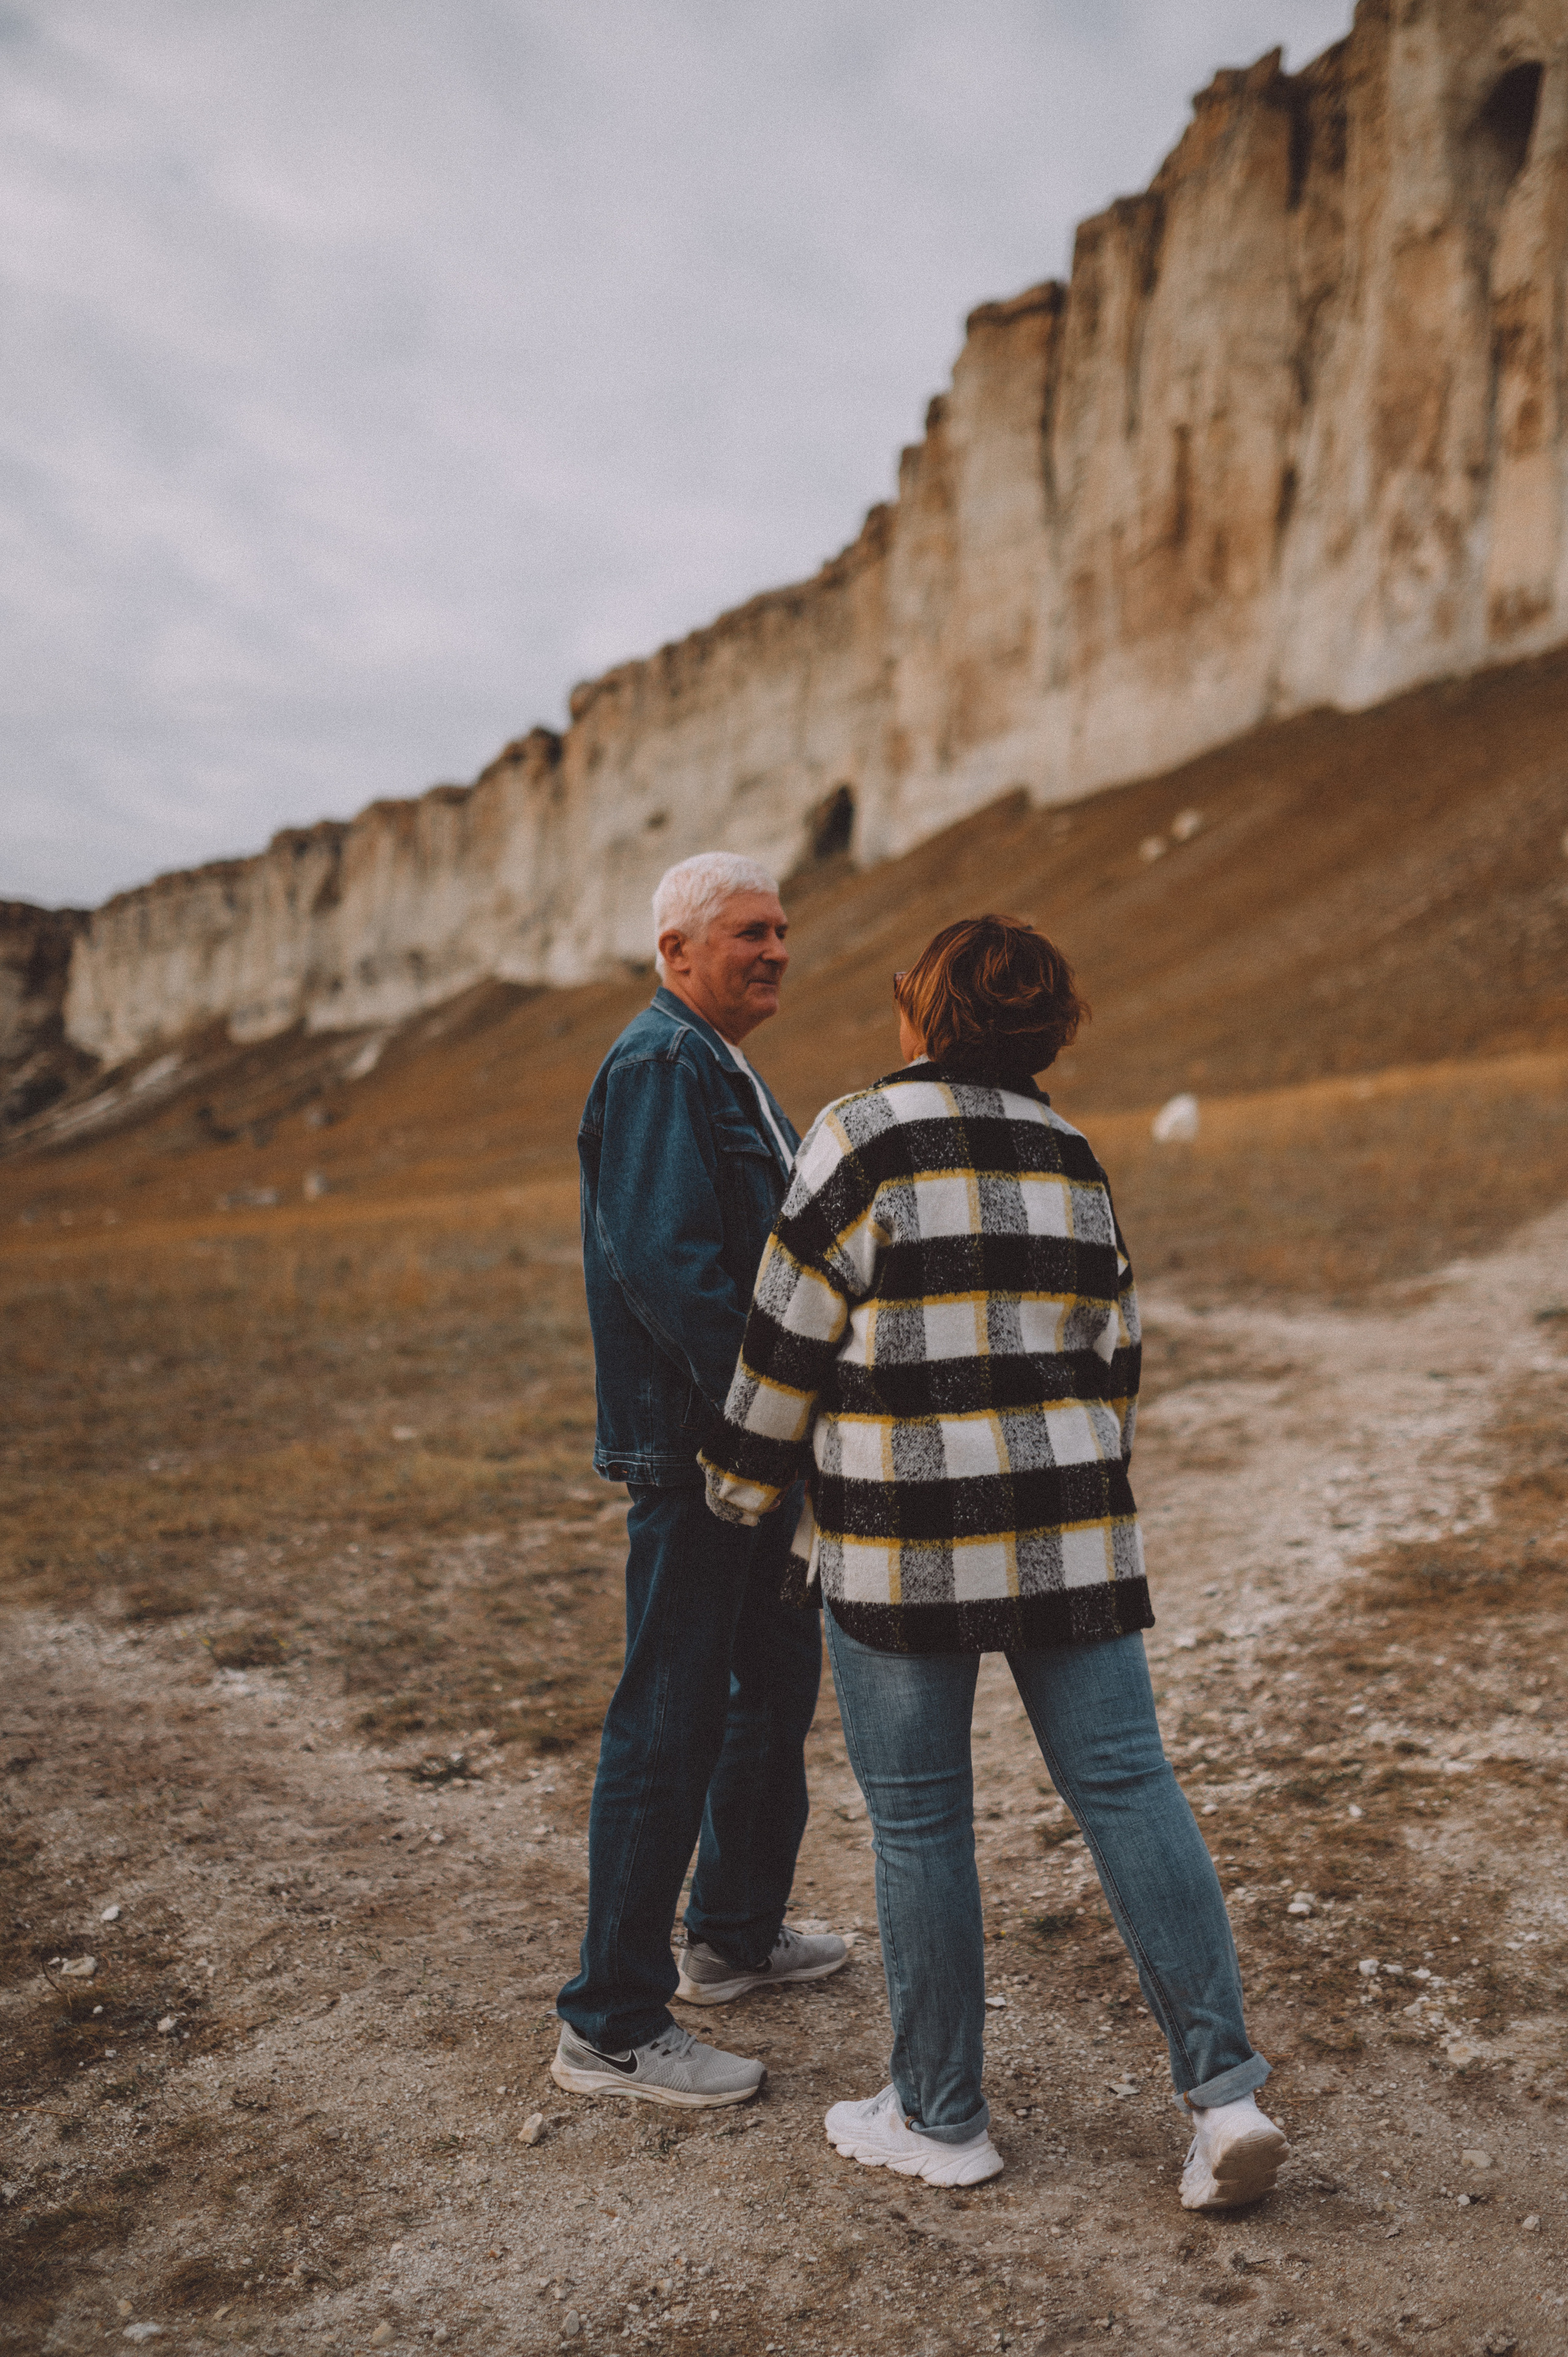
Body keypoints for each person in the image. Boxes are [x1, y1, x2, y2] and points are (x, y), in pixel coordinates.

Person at [701, 913, 1286, 2202]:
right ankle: (1225, 2096)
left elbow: (784, 1336)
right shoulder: (1070, 1152)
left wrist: (737, 1494)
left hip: (897, 1551)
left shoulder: (856, 1133)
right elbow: (1112, 1353)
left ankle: (942, 2115)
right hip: (1069, 1529)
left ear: (925, 1009)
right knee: (1129, 1787)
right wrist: (1067, 1476)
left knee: (920, 1822)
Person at [552, 851, 847, 2112]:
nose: (774, 948)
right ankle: (611, 2023)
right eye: (746, 932)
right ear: (675, 950)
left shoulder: (718, 1061)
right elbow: (670, 1271)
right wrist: (769, 1415)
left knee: (770, 1687)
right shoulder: (662, 1061)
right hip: (702, 1452)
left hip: (755, 1448)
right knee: (669, 1713)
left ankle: (729, 1932)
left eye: (781, 928)